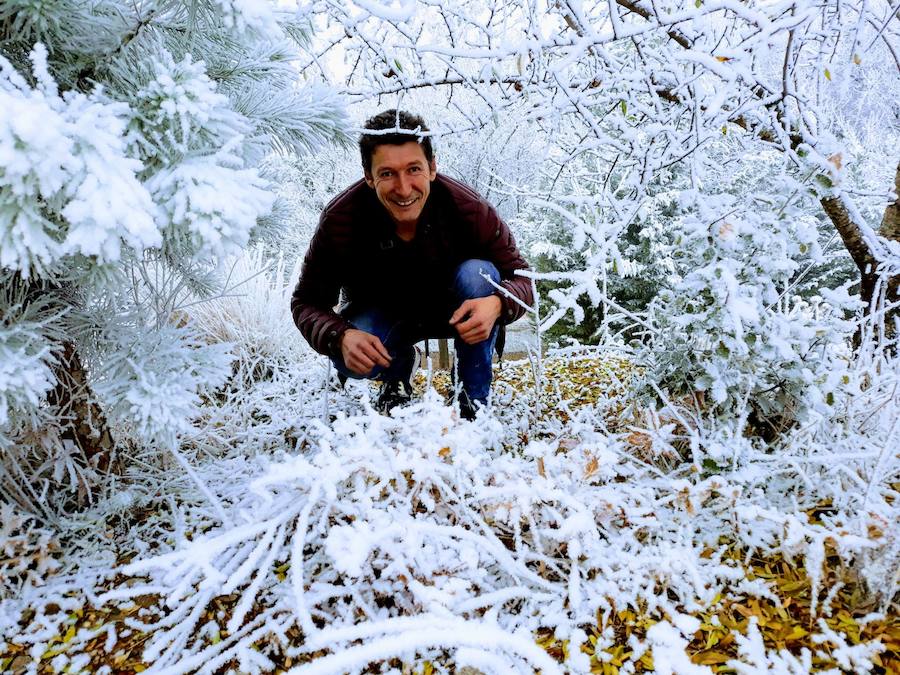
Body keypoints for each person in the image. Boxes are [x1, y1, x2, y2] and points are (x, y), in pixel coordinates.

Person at [290, 109, 533, 419]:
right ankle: (397, 369)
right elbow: (306, 301)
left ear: (432, 168)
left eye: (414, 169)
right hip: (384, 316)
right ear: (368, 176)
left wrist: (498, 303)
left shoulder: (470, 209)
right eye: (388, 173)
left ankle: (472, 401)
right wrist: (340, 336)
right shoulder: (341, 219)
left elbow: (522, 278)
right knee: (346, 358)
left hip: (456, 311)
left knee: (479, 275)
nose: (404, 189)